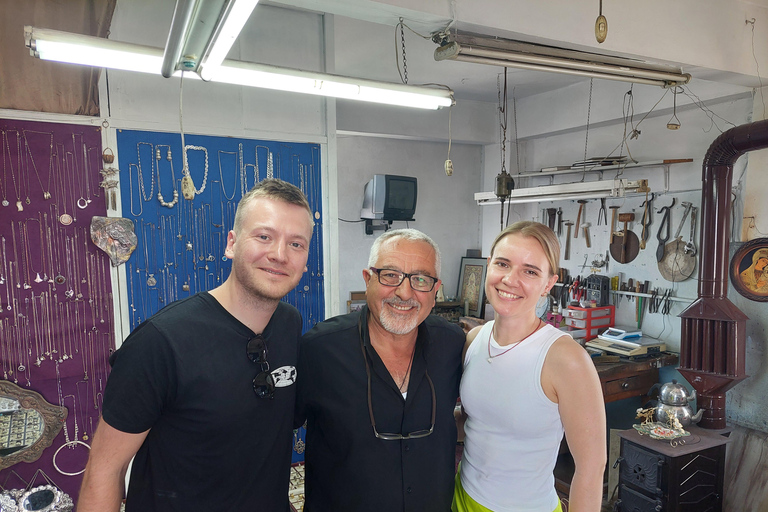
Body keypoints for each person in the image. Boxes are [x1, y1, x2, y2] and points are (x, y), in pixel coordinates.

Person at [77, 179, 315, 512]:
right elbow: (103, 472)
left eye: (296, 244)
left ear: (305, 260)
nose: (279, 254)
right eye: (264, 236)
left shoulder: (290, 324)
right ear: (232, 243)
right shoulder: (161, 342)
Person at [296, 228, 464, 512]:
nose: (404, 292)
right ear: (367, 279)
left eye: (421, 279)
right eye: (390, 275)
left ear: (435, 291)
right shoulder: (320, 350)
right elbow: (270, 434)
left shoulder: (452, 344)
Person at [454, 221, 606, 512]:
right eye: (503, 263)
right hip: (461, 499)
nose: (511, 280)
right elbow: (477, 423)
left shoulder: (565, 359)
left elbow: (591, 468)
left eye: (530, 271)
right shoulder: (474, 339)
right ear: (489, 266)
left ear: (549, 282)